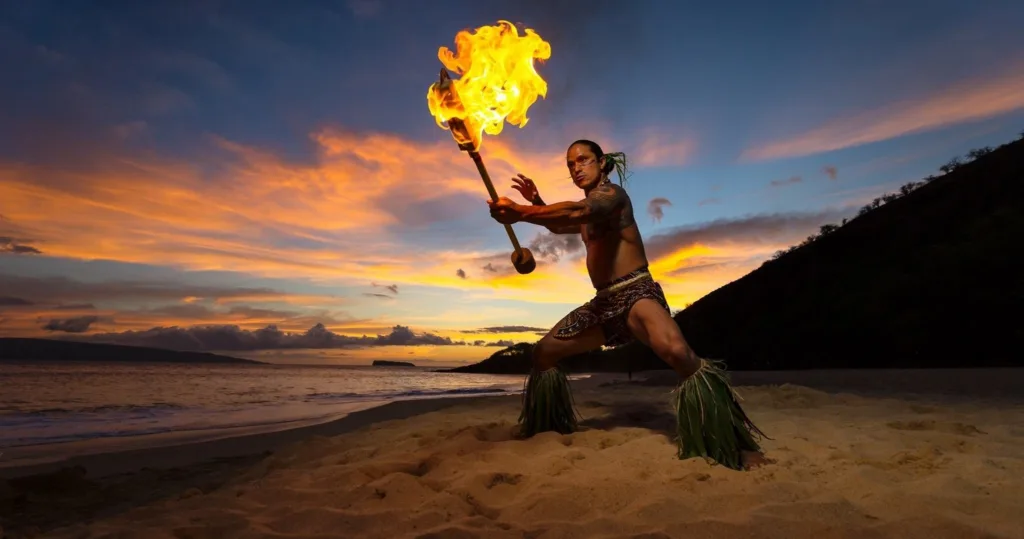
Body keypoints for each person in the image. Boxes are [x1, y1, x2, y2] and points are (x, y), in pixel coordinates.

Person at [487, 139, 769, 470]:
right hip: (604, 305)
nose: (576, 167)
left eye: (583, 160)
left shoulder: (612, 197)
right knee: (544, 353)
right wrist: (535, 202)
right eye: (570, 164)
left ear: (602, 162)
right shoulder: (586, 210)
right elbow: (560, 222)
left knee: (678, 353)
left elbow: (580, 210)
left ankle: (735, 442)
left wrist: (520, 212)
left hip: (636, 293)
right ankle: (548, 425)